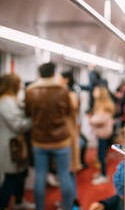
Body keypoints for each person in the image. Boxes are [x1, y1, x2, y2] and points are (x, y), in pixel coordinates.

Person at [25, 62, 74, 210]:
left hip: (39, 140)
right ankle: (67, 207)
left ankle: (39, 207)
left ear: (39, 74)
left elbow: (27, 113)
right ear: (54, 74)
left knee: (40, 176)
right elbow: (68, 112)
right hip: (61, 140)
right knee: (64, 175)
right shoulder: (62, 90)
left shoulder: (30, 90)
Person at [0, 74, 35, 210]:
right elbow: (18, 125)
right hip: (11, 146)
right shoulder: (5, 102)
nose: (21, 86)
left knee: (21, 175)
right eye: (19, 83)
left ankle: (19, 201)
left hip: (17, 145)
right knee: (10, 178)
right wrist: (35, 119)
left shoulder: (12, 100)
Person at [59, 70, 82, 207]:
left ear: (66, 79)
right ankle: (70, 200)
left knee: (67, 171)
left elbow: (72, 107)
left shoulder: (69, 94)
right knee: (69, 171)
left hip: (68, 136)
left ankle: (70, 202)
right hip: (70, 134)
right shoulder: (70, 94)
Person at [89, 86, 115, 185]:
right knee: (100, 154)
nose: (94, 92)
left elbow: (100, 119)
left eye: (96, 90)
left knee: (102, 156)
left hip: (104, 134)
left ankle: (104, 175)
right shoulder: (100, 104)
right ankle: (101, 173)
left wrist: (91, 119)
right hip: (101, 133)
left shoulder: (104, 106)